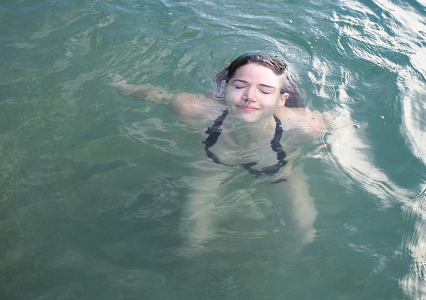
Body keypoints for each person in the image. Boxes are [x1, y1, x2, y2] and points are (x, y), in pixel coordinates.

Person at [112, 53, 329, 255]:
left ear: (281, 100)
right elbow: (158, 96)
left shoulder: (301, 126)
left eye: (264, 90)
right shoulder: (195, 110)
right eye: (239, 86)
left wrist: (348, 156)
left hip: (277, 171)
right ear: (224, 89)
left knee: (304, 233)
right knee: (194, 237)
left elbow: (338, 120)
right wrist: (121, 85)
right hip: (213, 165)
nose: (249, 97)